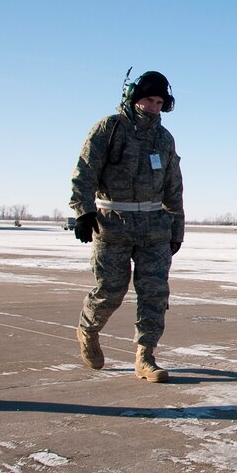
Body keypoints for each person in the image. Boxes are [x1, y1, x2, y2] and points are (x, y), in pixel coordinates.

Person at [70, 70, 184, 382]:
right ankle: (88, 330)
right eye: (149, 99)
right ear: (134, 98)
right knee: (111, 289)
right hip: (113, 226)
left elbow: (173, 186)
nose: (153, 106)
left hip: (154, 228)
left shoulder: (164, 138)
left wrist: (177, 227)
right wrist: (83, 212)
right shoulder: (109, 128)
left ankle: (145, 357)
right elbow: (85, 172)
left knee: (154, 294)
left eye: (160, 102)